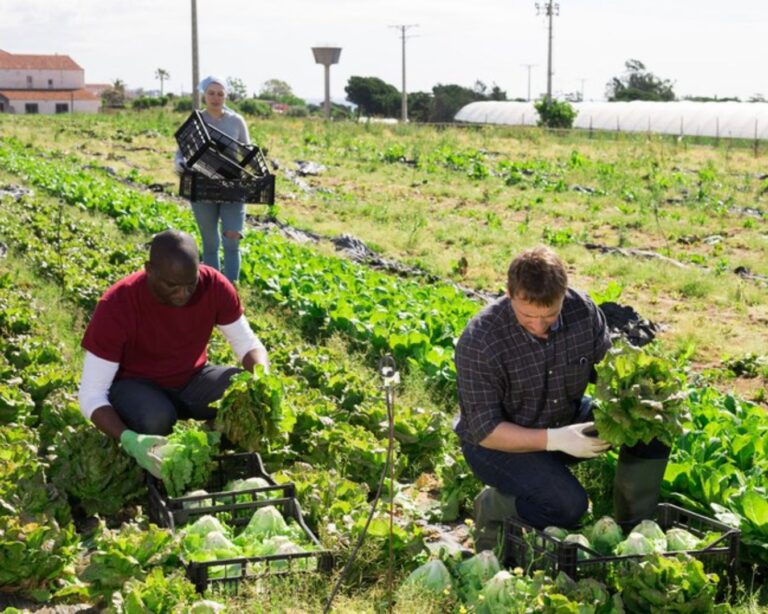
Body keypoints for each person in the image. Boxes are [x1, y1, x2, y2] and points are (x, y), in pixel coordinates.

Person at [454, 246, 670, 551]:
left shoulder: (581, 310)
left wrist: (641, 398)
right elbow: (485, 431)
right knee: (569, 507)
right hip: (498, 447)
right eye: (528, 316)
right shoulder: (481, 340)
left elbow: (607, 373)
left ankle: (633, 533)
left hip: (565, 423)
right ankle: (496, 507)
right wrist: (555, 439)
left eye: (550, 315)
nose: (541, 326)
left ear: (563, 294)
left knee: (650, 426)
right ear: (509, 293)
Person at [77, 230, 269, 477]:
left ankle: (207, 449)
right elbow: (91, 394)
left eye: (190, 284)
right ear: (149, 269)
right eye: (171, 285)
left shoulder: (214, 286)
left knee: (244, 395)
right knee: (154, 419)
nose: (182, 294)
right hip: (135, 386)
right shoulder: (117, 305)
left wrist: (261, 379)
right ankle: (147, 448)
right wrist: (128, 439)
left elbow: (247, 343)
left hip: (192, 378)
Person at [175, 75, 250, 284]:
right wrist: (180, 165)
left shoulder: (236, 121)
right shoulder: (196, 121)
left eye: (220, 94)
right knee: (210, 243)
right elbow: (180, 153)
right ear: (204, 95)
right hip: (203, 186)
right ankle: (213, 288)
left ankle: (231, 288)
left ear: (226, 96)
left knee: (232, 238)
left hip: (232, 187)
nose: (216, 98)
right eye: (211, 93)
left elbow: (247, 151)